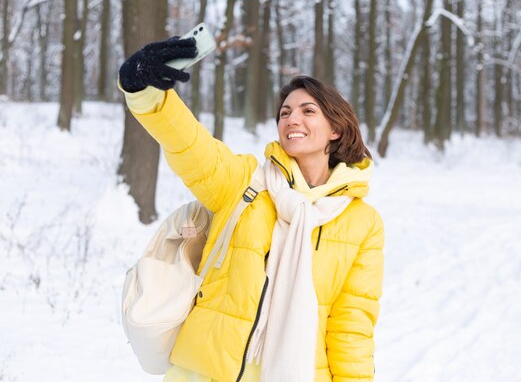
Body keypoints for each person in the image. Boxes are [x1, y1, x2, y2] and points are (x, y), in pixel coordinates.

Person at [118, 36, 384, 382]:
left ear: (336, 128)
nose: (291, 119)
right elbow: (190, 146)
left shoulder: (362, 223)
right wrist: (145, 92)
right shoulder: (245, 183)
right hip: (207, 373)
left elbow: (351, 326)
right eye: (285, 112)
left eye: (308, 111)